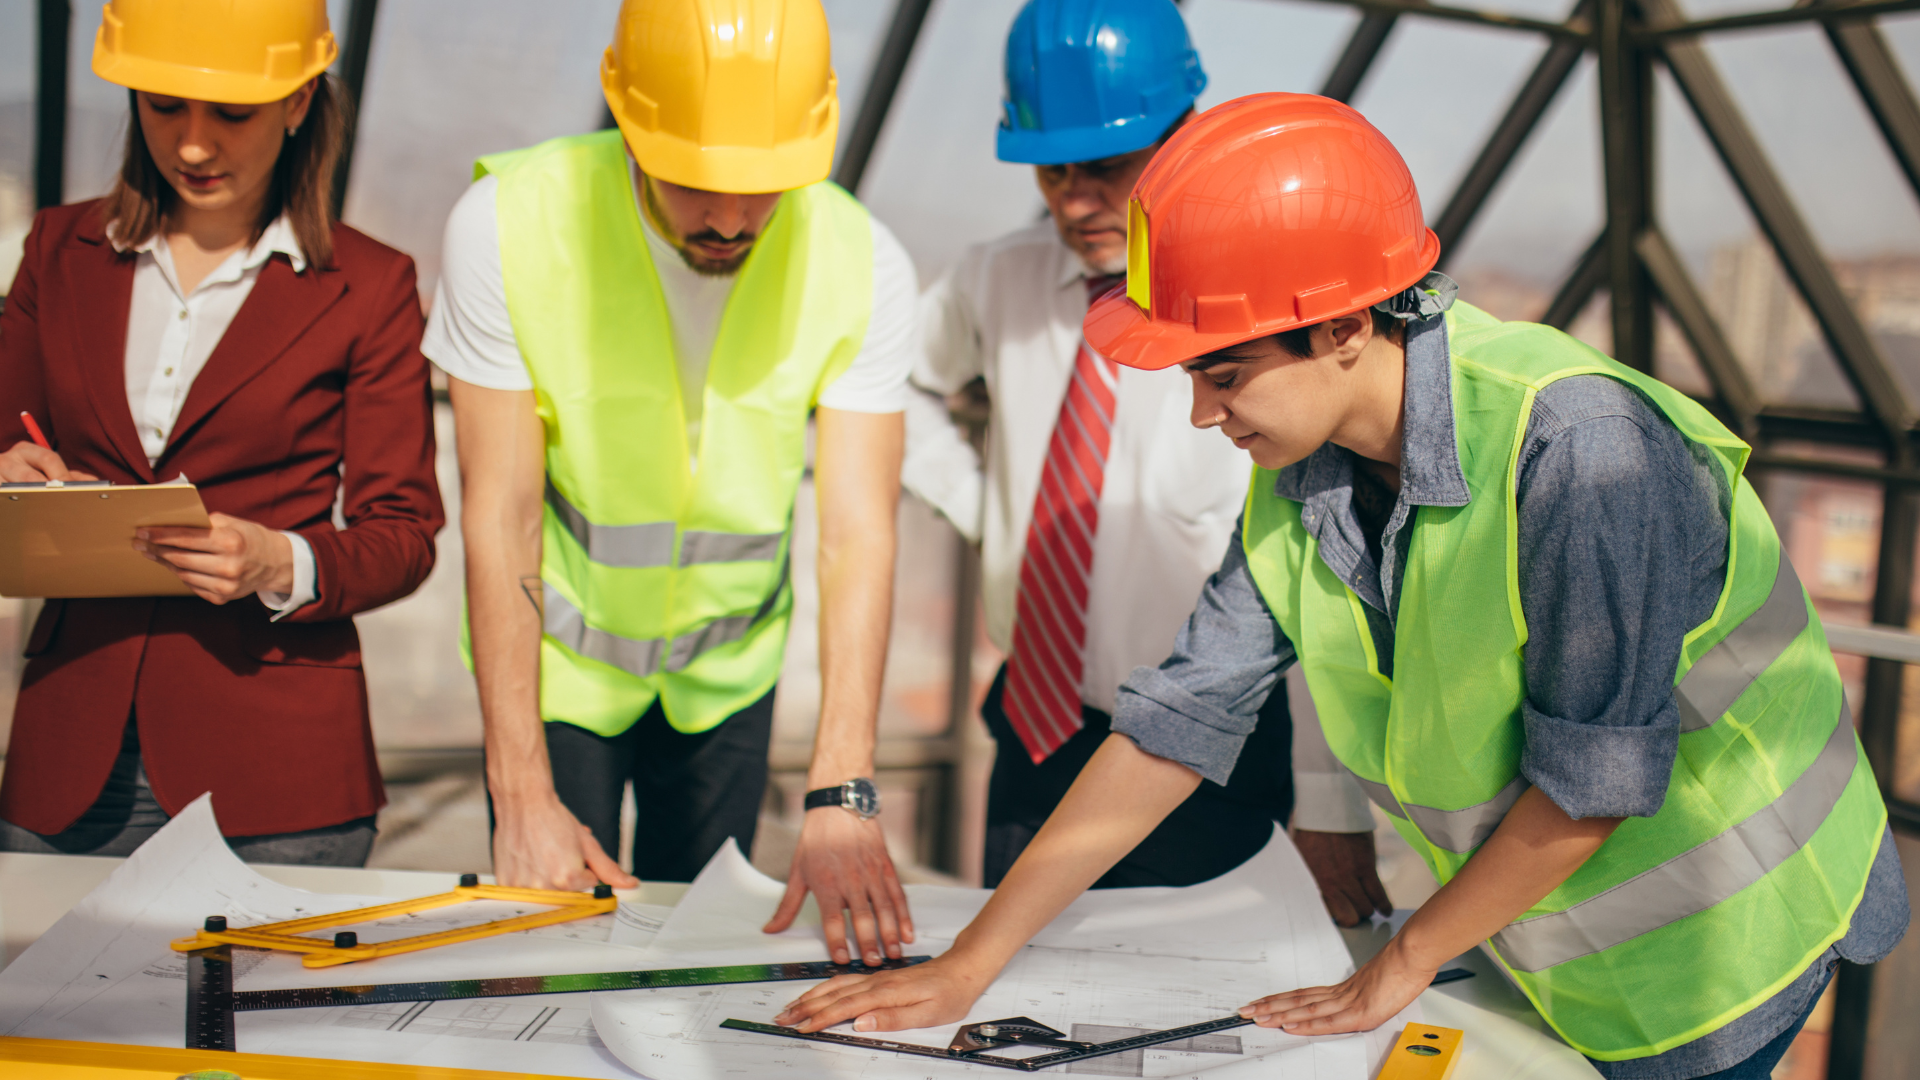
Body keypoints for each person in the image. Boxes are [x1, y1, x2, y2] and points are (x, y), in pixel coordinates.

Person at [777, 94, 1909, 1080]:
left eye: (1223, 374)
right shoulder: (1301, 470)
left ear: (1346, 327)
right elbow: (1176, 721)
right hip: (1551, 944)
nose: (1203, 414)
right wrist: (968, 965)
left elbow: (1593, 784)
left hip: (1726, 949)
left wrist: (1402, 965)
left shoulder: (1582, 450)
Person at [427, 0, 918, 968]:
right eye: (698, 181)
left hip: (729, 677)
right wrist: (521, 793)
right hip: (561, 668)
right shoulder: (507, 225)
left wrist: (842, 786)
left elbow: (860, 532)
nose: (732, 219)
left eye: (767, 184)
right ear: (629, 116)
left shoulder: (864, 261)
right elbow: (502, 512)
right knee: (549, 952)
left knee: (699, 965)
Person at [904, 0, 1385, 914]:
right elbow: (895, 382)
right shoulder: (994, 278)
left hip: (1220, 743)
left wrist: (1330, 805)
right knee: (1011, 992)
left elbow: (1321, 574)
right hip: (1036, 726)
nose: (1075, 200)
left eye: (1108, 168)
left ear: (1183, 140)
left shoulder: (1258, 302)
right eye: (1053, 172)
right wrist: (990, 511)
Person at [0, 0, 444, 864]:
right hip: (67, 753)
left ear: (300, 100)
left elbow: (407, 533)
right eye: (164, 106)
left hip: (278, 773)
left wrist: (281, 560)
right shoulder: (56, 250)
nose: (194, 145)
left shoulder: (372, 284)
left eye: (231, 113)